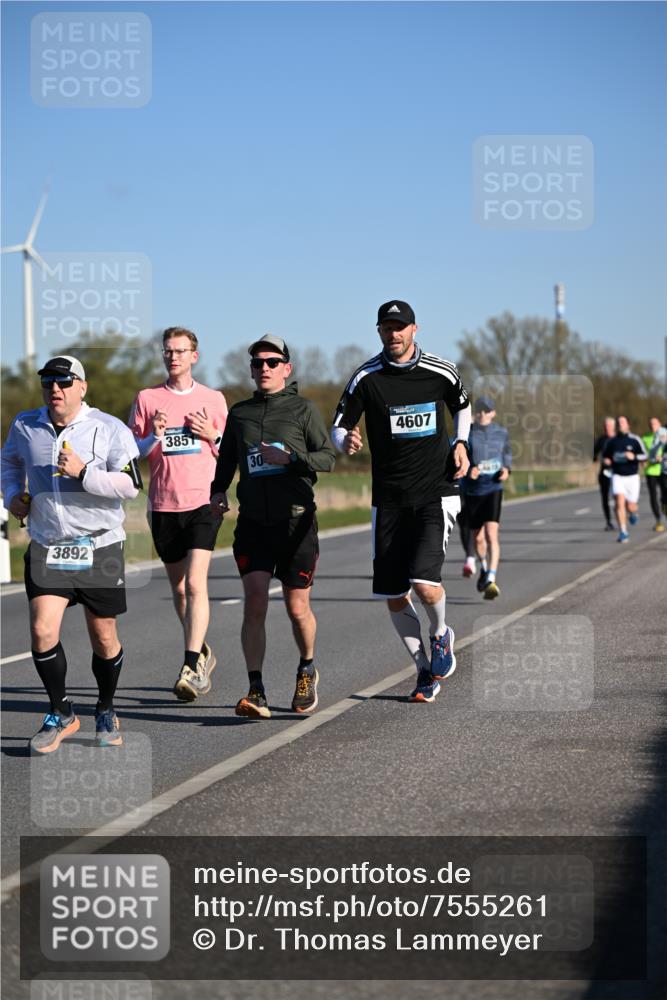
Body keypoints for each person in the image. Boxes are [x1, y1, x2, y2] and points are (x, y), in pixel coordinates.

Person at [332, 300, 471, 704]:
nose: (394, 334)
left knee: (425, 584)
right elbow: (339, 426)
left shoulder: (440, 371)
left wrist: (461, 442)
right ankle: (423, 670)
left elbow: (462, 405)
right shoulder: (366, 377)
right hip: (389, 498)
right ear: (378, 332)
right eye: (387, 327)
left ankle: (442, 633)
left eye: (401, 327)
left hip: (436, 489)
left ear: (415, 329)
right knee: (395, 595)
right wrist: (347, 441)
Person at [0, 355, 141, 753]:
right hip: (48, 544)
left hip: (98, 546)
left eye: (63, 382)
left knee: (104, 635)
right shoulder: (26, 425)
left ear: (82, 386)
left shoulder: (109, 429)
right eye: (48, 383)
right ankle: (61, 711)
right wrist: (13, 496)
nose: (55, 390)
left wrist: (84, 473)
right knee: (43, 629)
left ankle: (106, 708)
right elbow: (7, 461)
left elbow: (130, 486)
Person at [210, 335, 335, 719]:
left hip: (296, 522)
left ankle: (306, 667)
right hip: (253, 524)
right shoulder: (241, 413)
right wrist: (218, 491)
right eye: (257, 363)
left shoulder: (303, 409)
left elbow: (327, 457)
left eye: (272, 362)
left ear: (286, 368)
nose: (264, 368)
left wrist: (290, 458)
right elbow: (227, 458)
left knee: (298, 608)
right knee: (256, 602)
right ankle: (256, 689)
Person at [129, 327, 228, 702]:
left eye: (180, 351)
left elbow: (229, 453)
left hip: (203, 503)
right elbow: (130, 454)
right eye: (168, 351)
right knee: (180, 589)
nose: (173, 357)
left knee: (197, 583)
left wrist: (210, 435)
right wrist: (152, 436)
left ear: (194, 356)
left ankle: (191, 665)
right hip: (163, 505)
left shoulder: (213, 399)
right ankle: (202, 650)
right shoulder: (147, 398)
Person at [460, 396, 511, 599]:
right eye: (480, 410)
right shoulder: (467, 434)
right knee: (477, 537)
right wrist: (468, 469)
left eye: (487, 411)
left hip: (493, 488)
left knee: (491, 534)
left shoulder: (502, 432)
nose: (483, 414)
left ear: (493, 413)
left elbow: (507, 454)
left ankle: (491, 578)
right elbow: (458, 458)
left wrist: (506, 469)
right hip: (473, 491)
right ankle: (483, 567)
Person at [602, 415, 647, 543]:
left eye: (623, 422)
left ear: (628, 425)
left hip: (632, 477)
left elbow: (645, 455)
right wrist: (606, 460)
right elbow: (604, 457)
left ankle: (633, 513)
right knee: (619, 501)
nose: (620, 424)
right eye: (619, 422)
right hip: (617, 475)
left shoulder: (635, 440)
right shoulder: (612, 441)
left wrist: (634, 457)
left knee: (631, 505)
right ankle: (623, 531)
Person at [642, 417, 666, 532]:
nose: (653, 426)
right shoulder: (646, 438)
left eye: (655, 424)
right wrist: (649, 459)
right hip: (651, 470)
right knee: (653, 496)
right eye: (651, 424)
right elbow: (644, 454)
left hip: (663, 470)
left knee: (664, 496)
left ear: (659, 424)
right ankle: (658, 520)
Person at [593, 417, 616, 531]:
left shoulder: (618, 438)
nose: (607, 428)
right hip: (604, 472)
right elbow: (594, 455)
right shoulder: (601, 440)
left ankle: (622, 515)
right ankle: (608, 521)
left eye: (609, 425)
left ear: (614, 426)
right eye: (605, 425)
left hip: (618, 472)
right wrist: (601, 459)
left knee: (619, 497)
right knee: (605, 498)